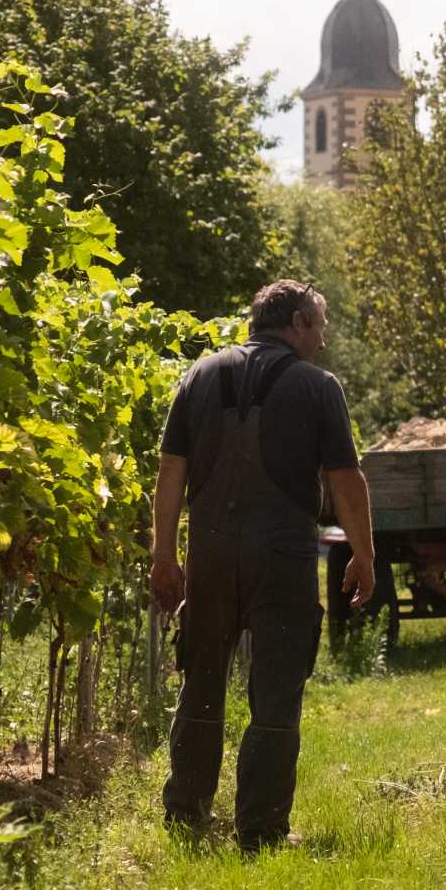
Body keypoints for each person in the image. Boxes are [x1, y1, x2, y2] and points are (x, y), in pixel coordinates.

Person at [149, 279, 375, 852]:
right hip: (283, 561)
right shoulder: (318, 387)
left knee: (201, 685)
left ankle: (186, 811)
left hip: (210, 558)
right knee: (275, 694)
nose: (322, 341)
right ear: (297, 321)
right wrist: (364, 554)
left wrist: (164, 555)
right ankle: (261, 827)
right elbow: (346, 481)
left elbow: (170, 471)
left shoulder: (198, 376)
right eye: (319, 326)